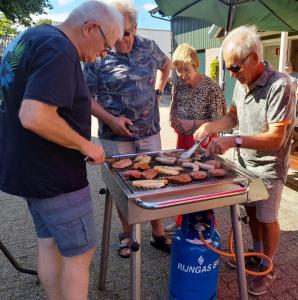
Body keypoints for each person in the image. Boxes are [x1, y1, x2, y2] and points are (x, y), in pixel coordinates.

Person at [0, 1, 123, 299]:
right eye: (106, 45)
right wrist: (86, 145)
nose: (102, 56)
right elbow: (34, 115)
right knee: (80, 253)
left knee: (49, 242)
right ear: (90, 28)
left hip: (28, 170)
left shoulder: (31, 37)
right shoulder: (60, 50)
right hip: (55, 175)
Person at [194, 25, 295, 296]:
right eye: (228, 68)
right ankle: (256, 251)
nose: (230, 73)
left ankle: (267, 266)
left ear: (253, 58)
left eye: (234, 68)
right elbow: (233, 117)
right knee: (251, 213)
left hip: (269, 168)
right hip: (245, 165)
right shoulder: (242, 82)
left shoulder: (280, 85)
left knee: (267, 217)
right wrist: (211, 126)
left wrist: (233, 140)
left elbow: (276, 138)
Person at [83, 0, 172, 258]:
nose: (121, 40)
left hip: (150, 131)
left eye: (127, 33)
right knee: (123, 186)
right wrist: (111, 120)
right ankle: (127, 233)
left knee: (156, 180)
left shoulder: (148, 46)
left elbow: (166, 64)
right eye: (115, 34)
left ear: (135, 27)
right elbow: (86, 97)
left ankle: (157, 232)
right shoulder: (98, 54)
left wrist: (158, 90)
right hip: (114, 136)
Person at [165, 43, 227, 232]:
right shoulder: (178, 86)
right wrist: (176, 122)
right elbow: (172, 113)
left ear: (195, 64)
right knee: (182, 181)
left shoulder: (211, 87)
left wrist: (193, 124)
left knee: (202, 184)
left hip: (204, 141)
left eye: (186, 69)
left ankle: (206, 223)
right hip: (183, 140)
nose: (182, 74)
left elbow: (220, 120)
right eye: (178, 70)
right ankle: (180, 222)